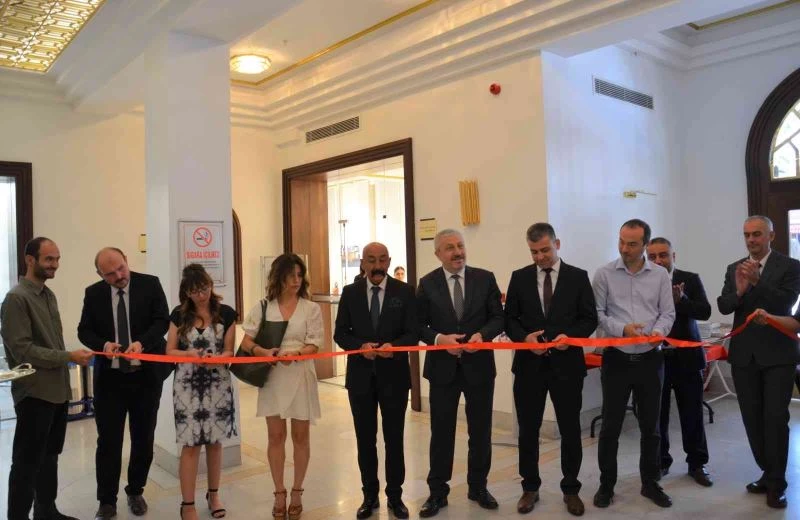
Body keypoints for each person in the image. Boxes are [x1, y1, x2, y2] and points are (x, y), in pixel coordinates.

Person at [505, 223, 597, 516]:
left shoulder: (578, 277)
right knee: (528, 431)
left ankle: (571, 489)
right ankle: (529, 487)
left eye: (545, 250)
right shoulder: (519, 277)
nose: (540, 257)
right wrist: (525, 339)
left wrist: (570, 337)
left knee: (570, 429)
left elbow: (589, 319)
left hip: (567, 366)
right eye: (534, 252)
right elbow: (510, 319)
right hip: (529, 367)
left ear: (557, 244)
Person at [1, 237, 93, 520]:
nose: (55, 265)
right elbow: (22, 350)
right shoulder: (17, 298)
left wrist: (66, 358)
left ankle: (46, 510)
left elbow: (51, 343)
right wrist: (68, 357)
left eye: (57, 259)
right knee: (26, 462)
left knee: (50, 455)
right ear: (30, 260)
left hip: (57, 391)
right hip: (34, 392)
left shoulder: (48, 295)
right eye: (49, 259)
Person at [416, 229, 504, 518]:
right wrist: (439, 340)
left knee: (480, 432)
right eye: (450, 248)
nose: (457, 252)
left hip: (479, 368)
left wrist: (482, 335)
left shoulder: (485, 278)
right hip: (442, 370)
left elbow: (498, 317)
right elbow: (417, 325)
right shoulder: (427, 283)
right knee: (441, 433)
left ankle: (478, 487)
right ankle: (437, 493)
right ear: (438, 254)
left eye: (460, 245)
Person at [77, 247, 170, 519]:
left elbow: (162, 321)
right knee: (109, 442)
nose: (119, 276)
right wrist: (104, 345)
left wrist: (143, 343)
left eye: (121, 268)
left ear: (126, 261)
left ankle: (135, 490)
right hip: (110, 382)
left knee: (143, 439)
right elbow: (84, 330)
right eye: (110, 273)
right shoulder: (93, 294)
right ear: (100, 274)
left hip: (145, 378)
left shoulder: (150, 284)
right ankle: (107, 501)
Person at [717, 215, 800, 509]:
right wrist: (740, 290)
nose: (751, 240)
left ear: (771, 236)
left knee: (775, 419)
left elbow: (785, 303)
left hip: (778, 355)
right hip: (744, 356)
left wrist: (758, 283)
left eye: (757, 234)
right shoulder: (734, 268)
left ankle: (777, 484)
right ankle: (768, 472)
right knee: (752, 420)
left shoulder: (790, 266)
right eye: (747, 235)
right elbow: (724, 305)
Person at [592, 219, 675, 509]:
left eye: (632, 244)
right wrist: (623, 330)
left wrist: (659, 332)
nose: (624, 248)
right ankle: (606, 485)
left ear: (645, 245)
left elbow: (668, 313)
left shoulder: (660, 275)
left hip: (650, 360)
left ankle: (650, 483)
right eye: (621, 241)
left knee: (651, 426)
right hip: (617, 359)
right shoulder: (604, 274)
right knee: (610, 427)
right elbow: (598, 314)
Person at [334, 242, 417, 519]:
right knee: (365, 439)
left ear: (389, 261)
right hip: (360, 379)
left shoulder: (405, 292)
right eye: (371, 260)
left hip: (395, 377)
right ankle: (369, 495)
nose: (377, 265)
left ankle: (395, 496)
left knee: (394, 438)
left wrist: (395, 346)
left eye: (382, 260)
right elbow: (340, 333)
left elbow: (413, 332)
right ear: (363, 263)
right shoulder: (350, 293)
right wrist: (360, 346)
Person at [239, 253, 323, 520]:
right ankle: (279, 492)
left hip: (300, 374)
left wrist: (297, 354)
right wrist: (263, 352)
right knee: (275, 436)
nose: (296, 281)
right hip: (273, 375)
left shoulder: (310, 308)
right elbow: (246, 342)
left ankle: (297, 491)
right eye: (290, 275)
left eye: (299, 275)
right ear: (279, 277)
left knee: (301, 436)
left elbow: (314, 343)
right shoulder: (264, 306)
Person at [166, 264, 237, 520]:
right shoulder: (178, 315)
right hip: (187, 386)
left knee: (215, 442)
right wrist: (189, 355)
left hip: (218, 384)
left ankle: (213, 494)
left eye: (204, 288)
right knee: (191, 445)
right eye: (195, 291)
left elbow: (229, 351)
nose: (201, 295)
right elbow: (169, 351)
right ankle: (187, 504)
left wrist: (217, 358)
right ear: (186, 292)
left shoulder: (226, 313)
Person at [646, 237, 713, 487]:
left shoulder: (690, 279)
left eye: (663, 255)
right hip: (656, 359)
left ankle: (697, 464)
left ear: (673, 256)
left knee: (692, 414)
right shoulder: (643, 281)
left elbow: (704, 311)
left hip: (687, 358)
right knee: (658, 416)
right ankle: (661, 462)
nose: (658, 261)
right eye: (652, 257)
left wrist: (682, 300)